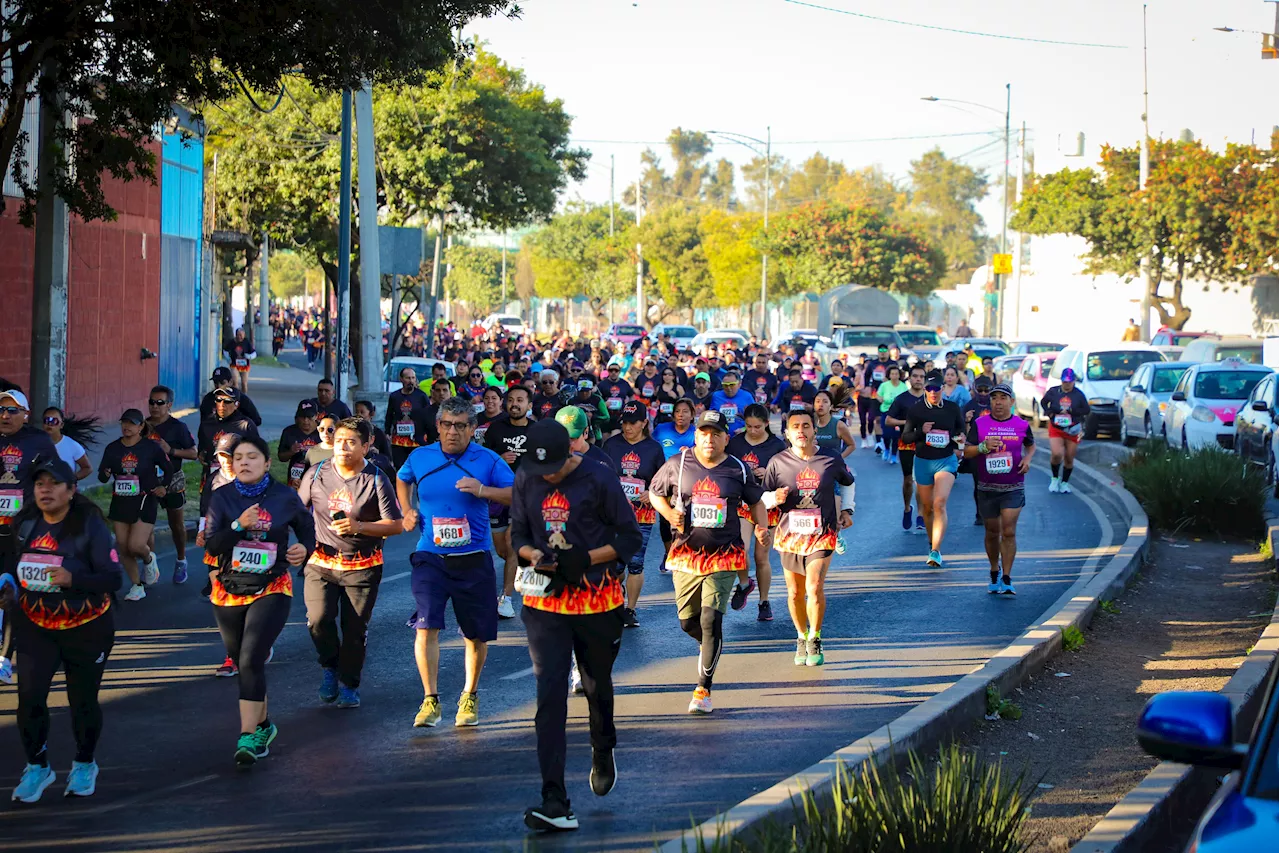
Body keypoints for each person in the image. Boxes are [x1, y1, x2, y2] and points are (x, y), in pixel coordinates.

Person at [512, 419, 642, 833]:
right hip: (546, 599)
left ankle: (603, 748)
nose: (546, 476)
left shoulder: (599, 477)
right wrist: (534, 554)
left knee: (595, 685)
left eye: (553, 467)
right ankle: (555, 800)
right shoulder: (525, 477)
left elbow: (629, 538)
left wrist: (584, 559)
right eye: (539, 469)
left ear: (570, 452)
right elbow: (517, 535)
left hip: (596, 599)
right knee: (549, 694)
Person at [4, 459, 123, 802]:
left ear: (71, 491)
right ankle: (37, 767)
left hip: (86, 627)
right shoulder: (25, 523)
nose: (45, 489)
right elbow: (14, 566)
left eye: (54, 483)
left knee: (81, 700)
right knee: (29, 697)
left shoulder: (90, 527)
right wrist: (9, 585)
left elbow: (113, 579)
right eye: (40, 483)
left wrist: (75, 579)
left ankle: (84, 763)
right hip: (35, 624)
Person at [396, 397, 515, 730]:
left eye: (460, 426)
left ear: (472, 428)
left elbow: (517, 492)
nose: (452, 432)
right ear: (437, 426)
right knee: (426, 625)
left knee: (475, 635)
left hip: (473, 557)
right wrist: (407, 509)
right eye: (446, 424)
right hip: (430, 556)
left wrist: (483, 490)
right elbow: (403, 478)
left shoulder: (487, 460)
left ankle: (469, 694)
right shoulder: (421, 456)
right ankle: (430, 699)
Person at [649, 411, 769, 715]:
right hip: (686, 553)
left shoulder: (737, 469)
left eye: (716, 434)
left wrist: (763, 528)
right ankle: (710, 646)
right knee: (688, 622)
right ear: (696, 435)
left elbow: (756, 501)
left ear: (726, 438)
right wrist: (668, 514)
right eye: (704, 433)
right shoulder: (678, 464)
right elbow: (654, 492)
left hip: (724, 553)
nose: (709, 439)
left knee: (709, 619)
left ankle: (703, 689)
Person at [204, 435, 315, 766]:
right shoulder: (221, 498)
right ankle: (264, 725)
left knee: (252, 657)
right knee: (241, 660)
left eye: (253, 456)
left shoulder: (284, 496)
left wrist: (304, 548)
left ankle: (248, 736)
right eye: (238, 458)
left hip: (272, 585)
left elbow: (307, 528)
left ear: (267, 463)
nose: (245, 462)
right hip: (228, 587)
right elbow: (212, 546)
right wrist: (240, 525)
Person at [298, 418, 403, 708]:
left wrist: (359, 527)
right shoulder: (316, 472)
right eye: (339, 439)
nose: (342, 446)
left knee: (354, 629)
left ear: (367, 446)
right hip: (321, 561)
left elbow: (395, 525)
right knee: (318, 620)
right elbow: (297, 512)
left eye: (351, 441)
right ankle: (329, 668)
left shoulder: (376, 478)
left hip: (362, 565)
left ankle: (349, 683)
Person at [763, 407, 855, 667]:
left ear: (815, 430)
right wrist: (773, 498)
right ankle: (801, 636)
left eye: (806, 426)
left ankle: (815, 636)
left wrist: (848, 509)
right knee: (794, 593)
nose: (801, 431)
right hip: (789, 535)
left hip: (821, 533)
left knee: (813, 587)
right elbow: (760, 497)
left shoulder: (830, 458)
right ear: (787, 433)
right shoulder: (778, 462)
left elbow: (848, 482)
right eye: (796, 427)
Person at [964, 383, 1035, 595]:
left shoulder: (1022, 424)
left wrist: (1028, 459)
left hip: (1013, 486)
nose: (998, 402)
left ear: (1012, 402)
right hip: (987, 488)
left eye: (1003, 398)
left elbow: (1030, 445)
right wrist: (983, 447)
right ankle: (994, 570)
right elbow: (967, 452)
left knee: (1009, 531)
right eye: (994, 398)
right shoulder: (980, 423)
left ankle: (1007, 577)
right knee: (992, 531)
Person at [602, 401, 665, 628]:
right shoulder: (611, 445)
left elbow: (661, 479)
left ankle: (630, 609)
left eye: (633, 423)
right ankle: (615, 594)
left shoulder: (654, 448)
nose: (627, 427)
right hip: (613, 514)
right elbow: (600, 473)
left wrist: (652, 491)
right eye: (625, 423)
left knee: (635, 563)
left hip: (642, 514)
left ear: (644, 423)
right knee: (614, 564)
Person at [97, 409, 167, 601]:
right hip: (120, 501)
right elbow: (102, 477)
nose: (126, 427)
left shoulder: (150, 448)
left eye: (132, 423)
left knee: (136, 545)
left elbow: (169, 469)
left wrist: (164, 487)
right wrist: (106, 473)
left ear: (141, 426)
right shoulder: (112, 448)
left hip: (145, 499)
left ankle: (148, 558)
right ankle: (137, 586)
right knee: (123, 547)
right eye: (124, 423)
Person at [899, 370, 966, 567]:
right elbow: (906, 437)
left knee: (939, 503)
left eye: (937, 389)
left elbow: (961, 430)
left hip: (945, 460)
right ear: (926, 390)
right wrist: (921, 431)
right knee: (927, 508)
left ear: (943, 389)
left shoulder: (952, 408)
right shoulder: (916, 410)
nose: (933, 393)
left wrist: (960, 441)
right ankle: (931, 543)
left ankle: (936, 551)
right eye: (929, 389)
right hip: (922, 461)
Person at [726, 403, 785, 622]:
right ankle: (744, 583)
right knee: (740, 548)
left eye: (757, 427)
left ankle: (764, 601)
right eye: (749, 427)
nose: (752, 431)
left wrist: (767, 473)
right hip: (742, 503)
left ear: (767, 424)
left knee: (762, 557)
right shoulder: (735, 443)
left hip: (766, 504)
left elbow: (785, 475)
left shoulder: (776, 446)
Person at [484, 385, 533, 619]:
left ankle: (506, 598)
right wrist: (499, 459)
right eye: (511, 400)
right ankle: (522, 566)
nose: (515, 404)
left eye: (520, 400)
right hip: (498, 496)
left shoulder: (537, 431)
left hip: (525, 497)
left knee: (511, 541)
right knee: (503, 550)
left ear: (529, 405)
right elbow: (483, 461)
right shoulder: (495, 430)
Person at [145, 385, 197, 583]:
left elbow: (193, 453)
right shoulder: (142, 426)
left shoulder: (178, 427)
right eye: (152, 402)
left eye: (160, 403)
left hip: (172, 478)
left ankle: (181, 560)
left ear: (169, 405)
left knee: (176, 523)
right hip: (148, 479)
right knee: (147, 525)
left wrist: (171, 450)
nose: (155, 407)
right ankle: (151, 566)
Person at [884, 365, 927, 534]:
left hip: (925, 444)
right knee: (908, 480)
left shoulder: (929, 399)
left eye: (921, 377)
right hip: (906, 443)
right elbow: (888, 420)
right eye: (915, 376)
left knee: (921, 481)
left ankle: (921, 515)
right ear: (909, 379)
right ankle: (907, 508)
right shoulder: (902, 399)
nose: (918, 379)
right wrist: (908, 423)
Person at [197, 387, 260, 488]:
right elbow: (202, 448)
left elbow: (257, 454)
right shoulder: (206, 423)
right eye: (218, 400)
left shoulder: (245, 425)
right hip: (212, 478)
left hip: (238, 478)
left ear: (236, 405)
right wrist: (202, 456)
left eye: (227, 401)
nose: (222, 405)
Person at [1041, 368, 1090, 494]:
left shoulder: (1078, 394)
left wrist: (1072, 412)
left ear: (1073, 381)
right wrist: (1051, 413)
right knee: (1057, 454)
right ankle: (1055, 478)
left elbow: (1086, 410)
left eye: (1069, 382)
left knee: (1069, 457)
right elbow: (1043, 402)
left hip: (1072, 429)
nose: (1066, 384)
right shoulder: (1053, 392)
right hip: (1056, 427)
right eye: (1064, 382)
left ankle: (1064, 483)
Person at [386, 367, 432, 470]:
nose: (411, 381)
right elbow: (389, 414)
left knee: (416, 468)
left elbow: (428, 415)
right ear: (401, 379)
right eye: (408, 378)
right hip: (398, 439)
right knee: (400, 468)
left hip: (416, 439)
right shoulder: (394, 396)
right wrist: (387, 431)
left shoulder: (421, 396)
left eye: (413, 378)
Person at [199, 367, 263, 427]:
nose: (218, 386)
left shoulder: (240, 397)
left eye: (222, 382)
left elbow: (256, 420)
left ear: (230, 382)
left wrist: (239, 427)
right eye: (216, 382)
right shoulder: (208, 399)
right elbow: (204, 423)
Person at [279, 401, 322, 490]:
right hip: (295, 480)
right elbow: (281, 457)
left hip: (318, 478)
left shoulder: (323, 432)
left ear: (316, 416)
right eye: (302, 417)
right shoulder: (289, 432)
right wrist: (291, 451)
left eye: (310, 417)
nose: (306, 421)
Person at [42, 407, 91, 481]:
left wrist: (71, 479)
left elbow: (87, 468)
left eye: (54, 421)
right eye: (46, 420)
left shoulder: (72, 445)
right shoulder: (36, 443)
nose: (49, 424)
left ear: (61, 425)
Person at [860, 345, 893, 450]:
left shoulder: (892, 364)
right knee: (877, 419)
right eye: (880, 351)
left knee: (889, 419)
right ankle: (879, 442)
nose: (882, 353)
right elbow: (866, 375)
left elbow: (900, 376)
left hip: (890, 394)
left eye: (884, 351)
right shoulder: (873, 364)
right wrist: (866, 386)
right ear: (878, 352)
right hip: (876, 394)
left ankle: (887, 439)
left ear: (888, 352)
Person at [876, 365, 909, 465]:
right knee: (886, 434)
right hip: (886, 411)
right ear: (889, 375)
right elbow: (878, 395)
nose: (894, 376)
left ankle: (894, 455)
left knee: (895, 436)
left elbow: (907, 397)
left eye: (896, 374)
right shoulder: (884, 385)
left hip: (898, 413)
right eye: (892, 374)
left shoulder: (903, 386)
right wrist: (880, 399)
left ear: (899, 375)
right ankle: (886, 449)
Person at [709, 371, 753, 435]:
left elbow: (755, 419)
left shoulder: (747, 396)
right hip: (721, 436)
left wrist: (744, 429)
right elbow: (711, 416)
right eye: (725, 385)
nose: (728, 388)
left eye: (732, 384)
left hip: (740, 436)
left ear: (739, 384)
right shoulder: (716, 396)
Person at [224, 328, 255, 394]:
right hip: (234, 364)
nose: (239, 337)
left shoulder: (247, 342)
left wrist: (249, 356)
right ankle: (236, 397)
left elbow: (254, 353)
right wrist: (228, 359)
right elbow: (225, 350)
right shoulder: (232, 342)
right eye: (238, 335)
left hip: (244, 366)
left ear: (244, 335)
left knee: (244, 383)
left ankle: (244, 397)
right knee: (235, 382)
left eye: (241, 335)